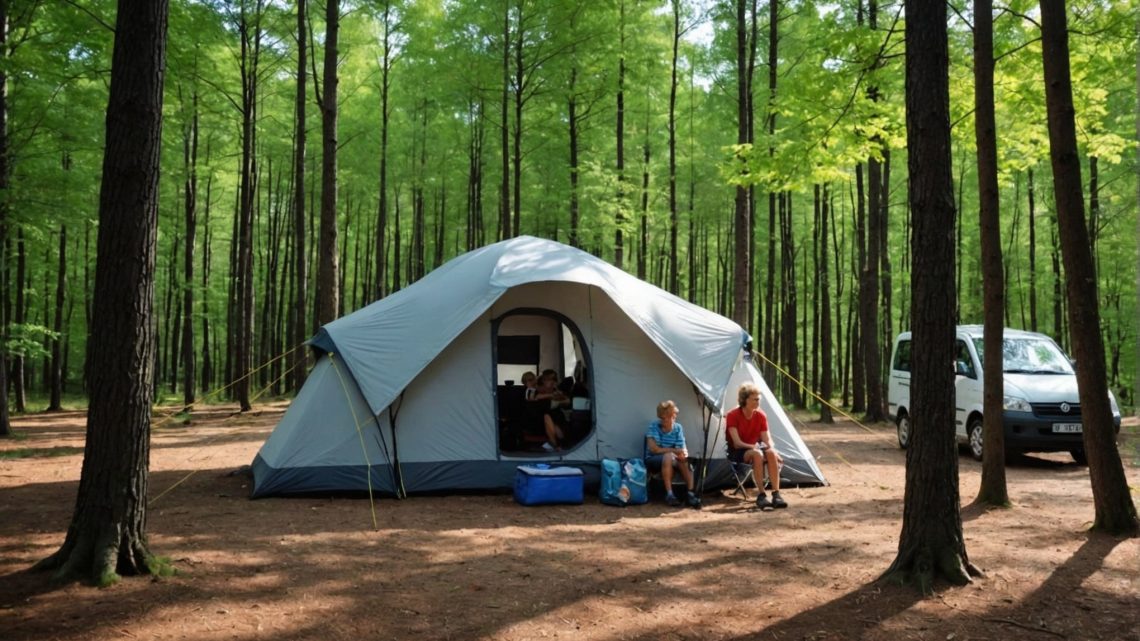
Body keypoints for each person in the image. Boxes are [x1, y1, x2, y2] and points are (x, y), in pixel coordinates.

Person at [725, 383, 787, 510]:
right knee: (757, 454)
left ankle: (776, 494)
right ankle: (761, 494)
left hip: (755, 448)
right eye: (755, 399)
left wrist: (773, 451)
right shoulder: (732, 415)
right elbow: (737, 443)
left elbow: (766, 440)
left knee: (770, 453)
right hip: (738, 451)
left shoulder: (761, 415)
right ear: (745, 400)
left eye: (759, 399)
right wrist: (754, 447)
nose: (758, 402)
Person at [645, 400, 701, 508]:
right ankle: (670, 494)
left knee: (683, 460)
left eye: (666, 417)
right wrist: (674, 451)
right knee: (668, 456)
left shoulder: (678, 428)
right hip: (653, 459)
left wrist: (682, 453)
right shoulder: (653, 426)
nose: (663, 420)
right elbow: (654, 449)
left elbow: (680, 447)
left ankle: (690, 494)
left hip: (672, 458)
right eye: (661, 417)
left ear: (673, 416)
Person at [530, 369, 569, 451]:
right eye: (549, 379)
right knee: (547, 417)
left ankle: (559, 444)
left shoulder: (556, 391)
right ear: (544, 380)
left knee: (556, 424)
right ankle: (556, 445)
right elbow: (535, 397)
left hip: (555, 416)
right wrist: (551, 396)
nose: (552, 382)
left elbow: (567, 401)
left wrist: (559, 398)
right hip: (539, 419)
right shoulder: (538, 390)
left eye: (554, 379)